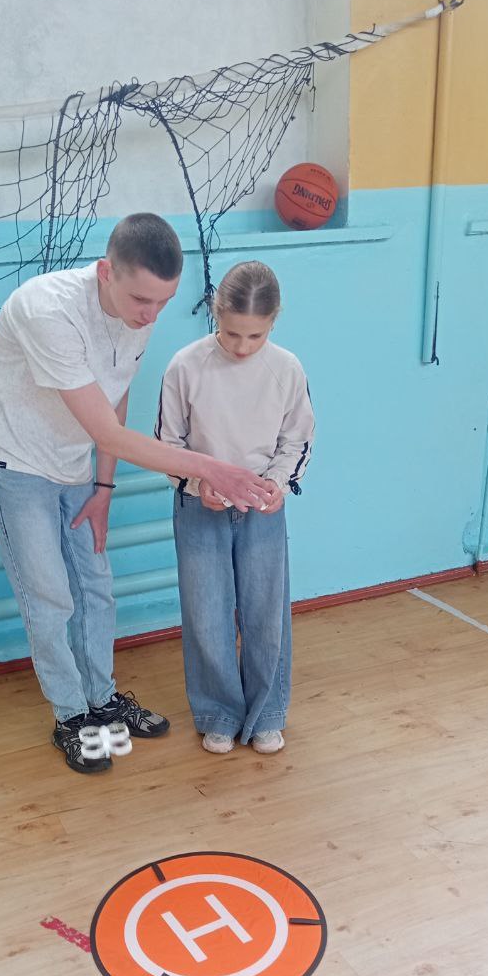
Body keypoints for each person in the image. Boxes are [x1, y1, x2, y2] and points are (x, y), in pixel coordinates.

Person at [0, 214, 270, 774]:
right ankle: (70, 716)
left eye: (164, 302)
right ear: (106, 272)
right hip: (17, 463)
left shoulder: (139, 312)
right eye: (142, 300)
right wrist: (212, 468)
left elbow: (116, 394)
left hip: (74, 462)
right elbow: (107, 432)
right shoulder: (48, 311)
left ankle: (102, 699)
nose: (151, 316)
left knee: (95, 587)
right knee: (50, 597)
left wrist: (103, 486)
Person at [155, 260, 315, 755]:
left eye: (255, 336)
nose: (243, 347)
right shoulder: (185, 366)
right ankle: (219, 713)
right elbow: (168, 444)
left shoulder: (286, 369)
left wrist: (277, 484)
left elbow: (297, 439)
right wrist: (197, 480)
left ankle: (267, 713)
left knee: (266, 613)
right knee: (206, 613)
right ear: (215, 312)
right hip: (199, 507)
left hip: (262, 509)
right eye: (231, 334)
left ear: (274, 321)